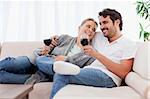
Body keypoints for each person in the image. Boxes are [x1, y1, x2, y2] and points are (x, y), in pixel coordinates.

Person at [49, 8, 137, 99]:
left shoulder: (128, 43)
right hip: (89, 70)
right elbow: (84, 32)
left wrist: (96, 55)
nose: (102, 27)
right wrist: (56, 38)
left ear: (117, 22)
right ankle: (46, 65)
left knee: (62, 74)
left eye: (105, 22)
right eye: (101, 24)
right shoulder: (101, 37)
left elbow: (123, 72)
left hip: (108, 77)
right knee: (60, 70)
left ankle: (46, 66)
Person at [0, 18, 98, 84]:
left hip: (44, 74)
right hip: (34, 62)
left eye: (93, 30)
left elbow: (78, 71)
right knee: (12, 63)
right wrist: (46, 49)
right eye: (88, 26)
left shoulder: (88, 53)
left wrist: (66, 59)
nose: (90, 30)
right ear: (79, 28)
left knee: (2, 76)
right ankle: (49, 63)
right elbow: (44, 50)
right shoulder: (64, 38)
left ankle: (52, 65)